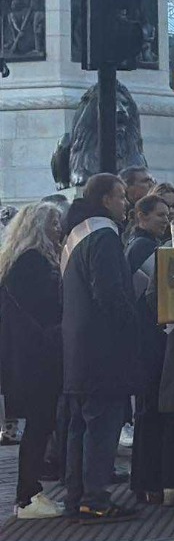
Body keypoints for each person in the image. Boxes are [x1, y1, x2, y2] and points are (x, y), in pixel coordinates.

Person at [61, 173, 139, 521]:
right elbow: (109, 294)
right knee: (102, 424)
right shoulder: (104, 235)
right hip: (102, 348)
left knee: (79, 425)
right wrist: (130, 328)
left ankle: (76, 495)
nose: (127, 204)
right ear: (106, 199)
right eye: (121, 197)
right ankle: (95, 497)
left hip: (76, 346)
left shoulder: (75, 235)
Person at [0, 202, 66, 519]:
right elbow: (44, 311)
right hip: (37, 358)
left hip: (27, 357)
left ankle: (30, 494)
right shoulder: (33, 263)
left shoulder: (19, 261)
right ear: (40, 227)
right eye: (55, 223)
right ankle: (27, 497)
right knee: (39, 426)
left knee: (40, 425)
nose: (60, 228)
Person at [124, 194, 174, 507]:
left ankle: (146, 482)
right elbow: (163, 292)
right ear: (142, 216)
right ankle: (150, 482)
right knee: (152, 411)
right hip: (152, 338)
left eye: (169, 212)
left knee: (149, 411)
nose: (166, 218)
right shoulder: (145, 248)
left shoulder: (139, 244)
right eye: (160, 214)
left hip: (147, 337)